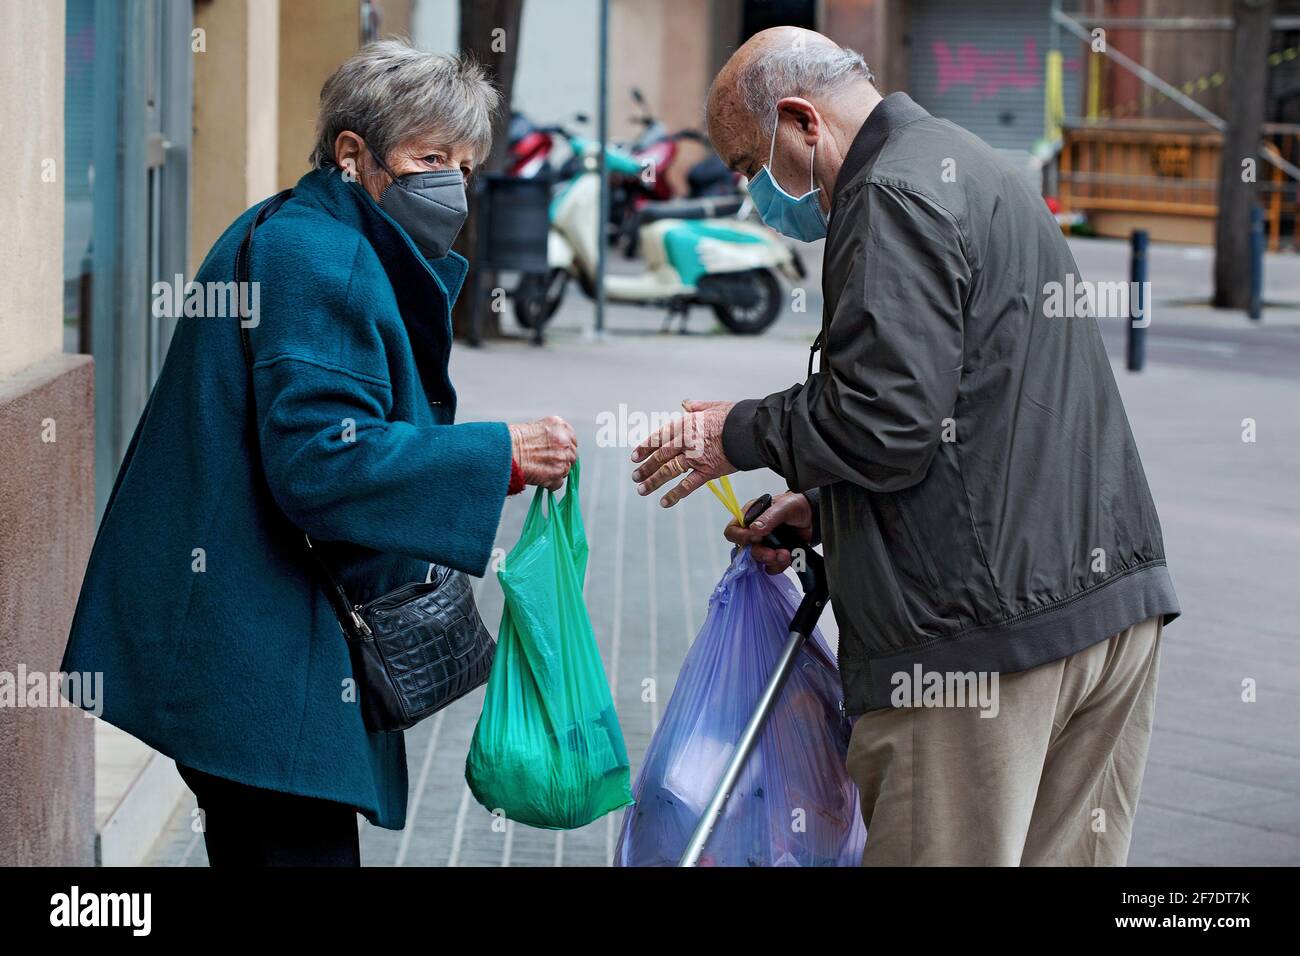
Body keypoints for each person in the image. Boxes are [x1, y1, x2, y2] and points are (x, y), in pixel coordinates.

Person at [631, 27, 1180, 866]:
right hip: (1104, 612)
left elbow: (885, 417)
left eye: (747, 164)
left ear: (800, 121)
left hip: (982, 646)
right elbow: (980, 407)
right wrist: (830, 509)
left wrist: (732, 432)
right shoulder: (967, 160)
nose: (749, 195)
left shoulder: (887, 193)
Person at [60, 40, 577, 867]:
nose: (452, 183)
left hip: (245, 636)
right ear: (353, 154)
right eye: (430, 157)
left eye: (466, 164)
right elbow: (323, 464)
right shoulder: (319, 256)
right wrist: (497, 455)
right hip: (256, 651)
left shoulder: (294, 227)